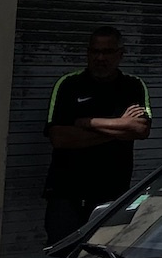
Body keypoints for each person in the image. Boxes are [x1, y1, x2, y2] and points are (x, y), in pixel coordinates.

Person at [44, 26, 151, 244]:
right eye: (95, 51)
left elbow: (140, 130)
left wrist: (87, 123)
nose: (100, 58)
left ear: (121, 54)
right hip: (67, 193)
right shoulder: (68, 85)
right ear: (87, 52)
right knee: (62, 254)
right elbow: (59, 138)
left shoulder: (133, 86)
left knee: (104, 255)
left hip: (113, 194)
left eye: (108, 52)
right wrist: (121, 127)